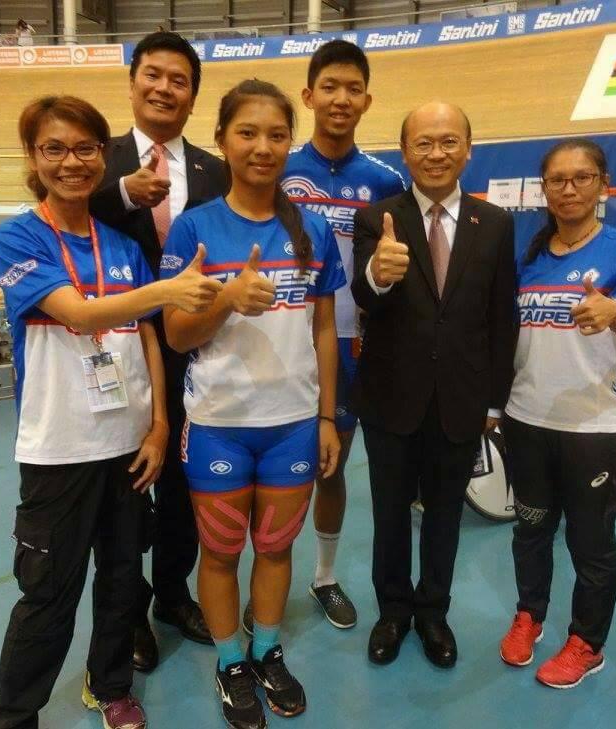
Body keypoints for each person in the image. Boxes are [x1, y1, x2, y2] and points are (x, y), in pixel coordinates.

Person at [0, 95, 220, 729]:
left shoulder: (118, 243)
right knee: (48, 593)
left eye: (85, 148)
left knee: (120, 582)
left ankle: (110, 685)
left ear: (101, 156)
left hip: (129, 444)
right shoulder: (15, 237)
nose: (71, 162)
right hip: (59, 450)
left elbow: (146, 334)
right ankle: (12, 713)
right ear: (34, 158)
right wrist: (168, 289)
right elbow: (80, 314)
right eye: (54, 149)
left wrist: (161, 425)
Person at [160, 79, 343, 729]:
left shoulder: (313, 230)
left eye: (275, 134)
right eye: (247, 132)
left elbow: (324, 327)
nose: (262, 146)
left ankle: (267, 646)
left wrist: (326, 415)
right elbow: (176, 335)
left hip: (293, 425)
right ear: (221, 141)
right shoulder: (195, 228)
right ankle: (231, 659)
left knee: (273, 547)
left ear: (289, 141)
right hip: (218, 425)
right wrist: (224, 300)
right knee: (219, 552)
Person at [351, 102, 517, 669]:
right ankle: (393, 612)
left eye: (449, 141)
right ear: (405, 153)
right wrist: (379, 272)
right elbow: (364, 298)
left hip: (463, 401)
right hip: (390, 400)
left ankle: (433, 614)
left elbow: (502, 317)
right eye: (423, 143)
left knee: (446, 515)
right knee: (390, 514)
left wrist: (495, 400)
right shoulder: (378, 219)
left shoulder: (494, 224)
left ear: (468, 149)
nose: (436, 153)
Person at [498, 138, 616, 688]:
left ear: (601, 185)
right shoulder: (531, 255)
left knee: (591, 545)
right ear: (543, 189)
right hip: (527, 420)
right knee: (531, 530)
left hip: (593, 428)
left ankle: (587, 644)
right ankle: (530, 616)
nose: (569, 188)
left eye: (582, 177)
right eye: (558, 179)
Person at [90, 31, 226, 667]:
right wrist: (121, 194)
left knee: (181, 482)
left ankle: (172, 592)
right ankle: (129, 607)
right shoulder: (99, 156)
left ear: (193, 98)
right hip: (113, 348)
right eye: (153, 74)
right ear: (133, 81)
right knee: (123, 483)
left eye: (179, 80)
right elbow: (62, 205)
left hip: (194, 351)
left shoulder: (213, 170)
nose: (164, 87)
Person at [269, 39, 405, 631]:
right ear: (308, 95)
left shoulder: (383, 179)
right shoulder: (277, 166)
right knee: (268, 472)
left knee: (332, 467)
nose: (341, 98)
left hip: (348, 349)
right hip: (276, 345)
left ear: (367, 100)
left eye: (353, 89)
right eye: (329, 87)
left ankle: (323, 577)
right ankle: (263, 579)